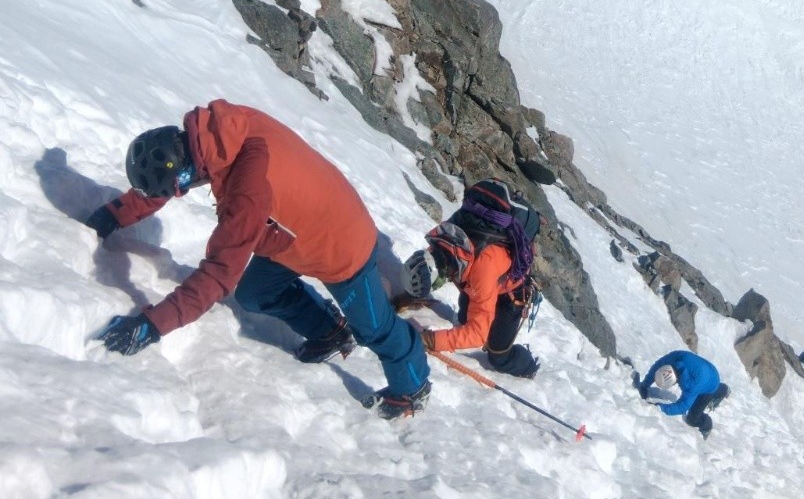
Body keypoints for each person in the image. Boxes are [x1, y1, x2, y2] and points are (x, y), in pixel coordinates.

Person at [85, 100, 430, 420]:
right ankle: (329, 331)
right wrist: (113, 215)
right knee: (254, 293)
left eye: (177, 188)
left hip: (342, 246)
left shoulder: (247, 193)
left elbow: (218, 275)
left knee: (374, 329)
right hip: (297, 227)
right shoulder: (216, 133)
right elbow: (169, 179)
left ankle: (413, 388)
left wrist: (152, 325)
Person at [403, 180, 540, 378]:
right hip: (478, 280)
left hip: (509, 294)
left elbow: (477, 334)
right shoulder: (442, 242)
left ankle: (529, 367)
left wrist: (431, 340)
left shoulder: (482, 269)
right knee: (464, 319)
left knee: (498, 357)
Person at [636, 350, 728, 437]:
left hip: (710, 384)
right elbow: (657, 367)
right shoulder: (675, 358)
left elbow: (682, 407)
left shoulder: (692, 385)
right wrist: (645, 385)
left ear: (676, 380)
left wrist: (660, 408)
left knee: (692, 418)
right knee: (702, 385)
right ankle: (723, 389)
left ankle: (707, 426)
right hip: (707, 369)